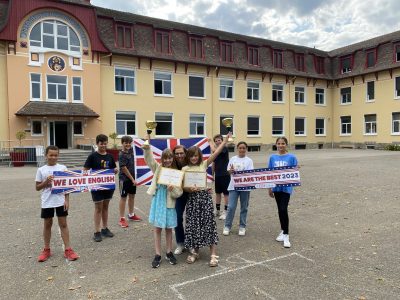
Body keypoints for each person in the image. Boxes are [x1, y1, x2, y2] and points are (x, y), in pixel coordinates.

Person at [183, 133, 231, 267]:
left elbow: (217, 153)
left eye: (196, 155)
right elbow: (183, 187)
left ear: (199, 156)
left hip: (204, 199)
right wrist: (188, 189)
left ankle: (213, 254)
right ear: (188, 157)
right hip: (192, 201)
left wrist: (225, 141)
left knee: (209, 225)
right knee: (194, 226)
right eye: (191, 155)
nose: (193, 158)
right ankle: (195, 252)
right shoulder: (184, 169)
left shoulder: (204, 164)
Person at [142, 138, 183, 268]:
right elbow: (149, 160)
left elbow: (179, 193)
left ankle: (169, 252)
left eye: (170, 158)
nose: (167, 160)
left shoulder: (176, 173)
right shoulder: (158, 168)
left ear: (173, 159)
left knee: (169, 228)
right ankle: (158, 254)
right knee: (158, 228)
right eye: (165, 158)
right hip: (159, 201)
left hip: (169, 203)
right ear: (162, 159)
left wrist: (173, 190)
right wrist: (147, 147)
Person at [35, 145, 79, 262]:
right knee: (47, 224)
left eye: (56, 155)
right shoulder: (41, 170)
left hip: (60, 201)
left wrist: (67, 200)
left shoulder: (63, 168)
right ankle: (46, 249)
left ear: (58, 155)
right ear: (46, 156)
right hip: (47, 201)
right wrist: (46, 182)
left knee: (63, 224)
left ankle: (68, 249)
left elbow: (67, 186)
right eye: (51, 155)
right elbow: (37, 187)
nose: (53, 157)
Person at [84, 134, 118, 242]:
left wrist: (115, 170)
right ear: (97, 143)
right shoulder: (92, 156)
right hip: (96, 186)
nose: (103, 145)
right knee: (98, 208)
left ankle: (105, 228)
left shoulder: (110, 156)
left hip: (108, 186)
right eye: (101, 143)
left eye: (105, 143)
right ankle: (97, 231)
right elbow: (85, 169)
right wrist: (89, 176)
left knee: (106, 207)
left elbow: (114, 168)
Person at [267, 137, 298, 248]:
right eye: (279, 143)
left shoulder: (292, 157)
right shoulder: (272, 157)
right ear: (276, 144)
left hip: (286, 188)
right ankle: (282, 230)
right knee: (280, 210)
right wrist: (269, 188)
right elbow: (269, 173)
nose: (281, 145)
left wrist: (296, 170)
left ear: (286, 145)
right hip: (276, 188)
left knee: (283, 209)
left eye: (283, 143)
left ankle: (286, 235)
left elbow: (295, 172)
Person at [223, 142, 254, 236]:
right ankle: (227, 226)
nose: (242, 150)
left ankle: (242, 226)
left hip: (245, 187)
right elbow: (228, 171)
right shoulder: (233, 159)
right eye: (240, 148)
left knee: (244, 207)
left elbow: (251, 173)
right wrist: (230, 171)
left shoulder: (249, 160)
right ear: (237, 149)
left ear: (246, 149)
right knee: (231, 207)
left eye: (244, 148)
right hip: (233, 186)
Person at [118, 135, 141, 228]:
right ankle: (122, 219)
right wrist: (132, 179)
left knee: (132, 196)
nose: (127, 144)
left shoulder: (132, 151)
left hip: (133, 179)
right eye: (125, 142)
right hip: (125, 179)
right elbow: (124, 169)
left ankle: (131, 214)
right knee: (123, 198)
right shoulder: (121, 155)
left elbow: (143, 146)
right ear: (122, 143)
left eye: (129, 142)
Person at [172, 145, 188, 255]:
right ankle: (180, 243)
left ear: (185, 153)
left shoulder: (191, 162)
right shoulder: (171, 165)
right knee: (177, 218)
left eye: (181, 153)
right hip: (179, 194)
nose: (179, 155)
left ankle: (192, 243)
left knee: (192, 218)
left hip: (191, 192)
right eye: (177, 153)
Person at [212, 134, 230, 220]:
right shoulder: (215, 151)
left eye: (219, 140)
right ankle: (217, 210)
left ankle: (226, 211)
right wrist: (212, 174)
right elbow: (213, 163)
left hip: (225, 174)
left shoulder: (224, 148)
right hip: (218, 175)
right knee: (218, 193)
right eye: (215, 141)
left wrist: (209, 142)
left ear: (222, 141)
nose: (217, 142)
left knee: (226, 193)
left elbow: (215, 151)